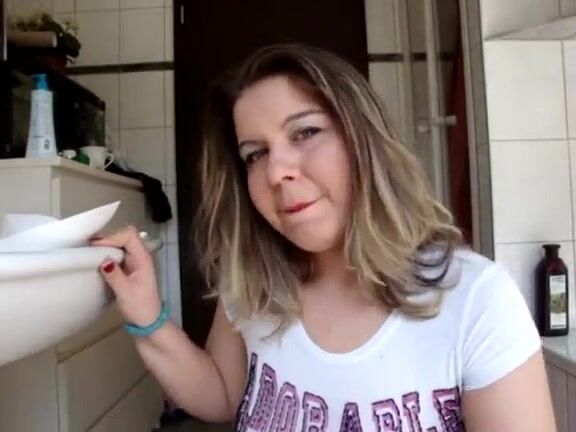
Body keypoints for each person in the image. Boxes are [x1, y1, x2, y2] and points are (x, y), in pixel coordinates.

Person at [92, 44, 556, 431]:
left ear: (363, 141)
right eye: (255, 154)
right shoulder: (253, 282)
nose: (276, 171)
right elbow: (221, 395)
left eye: (305, 132)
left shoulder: (475, 300)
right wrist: (146, 315)